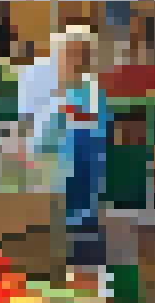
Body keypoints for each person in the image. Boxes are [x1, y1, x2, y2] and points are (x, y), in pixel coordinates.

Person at [33, 28, 108, 287]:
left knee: (82, 273)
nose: (69, 62)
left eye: (77, 54)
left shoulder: (90, 94)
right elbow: (39, 145)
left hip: (80, 200)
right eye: (65, 55)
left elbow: (90, 137)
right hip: (55, 201)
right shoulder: (52, 97)